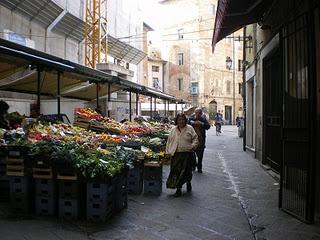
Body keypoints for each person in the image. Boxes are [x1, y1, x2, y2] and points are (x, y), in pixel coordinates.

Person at [166, 113, 198, 197]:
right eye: (179, 120)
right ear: (177, 120)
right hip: (176, 154)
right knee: (176, 172)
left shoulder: (189, 128)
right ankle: (178, 189)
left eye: (183, 119)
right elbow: (169, 141)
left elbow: (195, 138)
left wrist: (193, 146)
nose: (181, 121)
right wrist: (167, 152)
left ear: (185, 120)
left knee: (186, 171)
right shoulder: (173, 129)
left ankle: (188, 182)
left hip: (187, 153)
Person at [188, 108, 211, 173]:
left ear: (201, 113)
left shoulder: (203, 119)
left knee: (200, 154)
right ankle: (194, 165)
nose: (197, 114)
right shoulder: (191, 118)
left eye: (199, 113)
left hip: (201, 140)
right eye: (196, 113)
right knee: (192, 153)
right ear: (194, 113)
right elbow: (187, 123)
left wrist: (202, 123)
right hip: (192, 139)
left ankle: (199, 167)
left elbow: (208, 126)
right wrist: (192, 123)